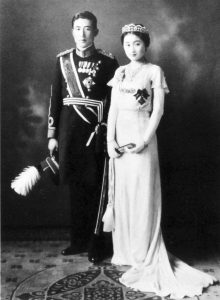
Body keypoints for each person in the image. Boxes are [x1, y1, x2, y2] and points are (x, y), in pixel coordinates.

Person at [105, 23, 217, 298]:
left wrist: (143, 141)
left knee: (143, 196)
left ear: (146, 45)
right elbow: (114, 110)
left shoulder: (154, 71)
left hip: (143, 139)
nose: (132, 49)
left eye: (137, 44)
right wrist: (110, 143)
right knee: (124, 195)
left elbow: (157, 112)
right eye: (128, 44)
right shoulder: (119, 73)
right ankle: (127, 251)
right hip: (120, 140)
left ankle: (145, 251)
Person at [48, 11, 118, 263]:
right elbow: (55, 98)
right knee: (75, 189)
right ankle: (78, 241)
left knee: (96, 188)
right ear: (72, 31)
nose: (82, 34)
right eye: (78, 28)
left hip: (95, 133)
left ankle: (96, 244)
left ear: (96, 32)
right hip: (69, 134)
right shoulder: (62, 60)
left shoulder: (109, 61)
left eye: (88, 28)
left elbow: (114, 101)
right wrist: (52, 134)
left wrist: (108, 129)